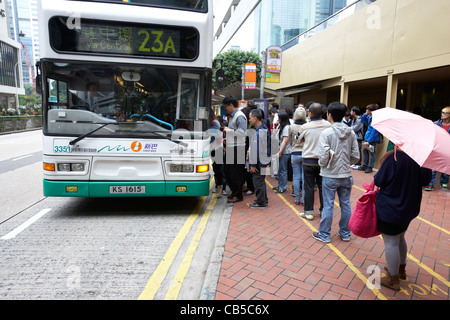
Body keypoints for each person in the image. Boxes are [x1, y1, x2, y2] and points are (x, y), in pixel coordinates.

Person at [374, 149, 431, 290]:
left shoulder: (394, 157)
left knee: (391, 242)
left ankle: (393, 279)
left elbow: (379, 180)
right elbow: (426, 180)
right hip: (409, 208)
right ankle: (400, 270)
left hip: (390, 208)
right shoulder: (421, 157)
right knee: (400, 238)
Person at [313, 102, 360, 243]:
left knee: (328, 205)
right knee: (345, 204)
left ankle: (325, 234)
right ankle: (345, 233)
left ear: (330, 115)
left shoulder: (326, 133)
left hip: (330, 175)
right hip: (346, 175)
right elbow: (356, 156)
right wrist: (346, 162)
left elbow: (323, 156)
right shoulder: (350, 132)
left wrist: (324, 164)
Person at [297, 103, 331, 220]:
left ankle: (309, 212)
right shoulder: (328, 125)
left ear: (309, 113)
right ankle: (323, 211)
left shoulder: (305, 126)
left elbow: (297, 140)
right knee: (323, 187)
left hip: (308, 161)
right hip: (323, 161)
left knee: (309, 187)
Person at [222, 95, 247, 203]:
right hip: (232, 147)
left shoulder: (239, 116)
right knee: (228, 171)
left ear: (231, 105)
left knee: (235, 172)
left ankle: (238, 194)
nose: (225, 109)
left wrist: (229, 131)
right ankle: (234, 191)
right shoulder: (233, 116)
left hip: (238, 148)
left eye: (225, 107)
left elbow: (242, 133)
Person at [248, 108, 271, 208]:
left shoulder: (258, 133)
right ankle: (263, 200)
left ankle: (260, 202)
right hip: (264, 160)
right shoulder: (264, 129)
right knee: (261, 181)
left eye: (250, 118)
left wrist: (253, 165)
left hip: (258, 162)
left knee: (258, 181)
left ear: (255, 118)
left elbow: (256, 151)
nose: (249, 120)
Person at [424, 106, 450, 191]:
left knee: (446, 166)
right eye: (442, 112)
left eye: (445, 113)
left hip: (447, 149)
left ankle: (444, 183)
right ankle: (430, 184)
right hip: (436, 147)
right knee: (432, 167)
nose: (442, 114)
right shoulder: (435, 124)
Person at [289, 106, 307, 205]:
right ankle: (304, 199)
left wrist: (294, 146)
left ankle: (297, 199)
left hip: (295, 152)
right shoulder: (308, 125)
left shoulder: (291, 127)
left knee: (296, 177)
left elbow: (291, 141)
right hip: (305, 153)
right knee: (305, 177)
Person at [272, 112, 291, 193]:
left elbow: (285, 140)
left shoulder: (286, 127)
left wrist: (280, 152)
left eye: (279, 118)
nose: (277, 120)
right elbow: (273, 134)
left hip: (285, 151)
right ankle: (280, 185)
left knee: (282, 170)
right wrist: (275, 126)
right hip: (281, 151)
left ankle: (283, 187)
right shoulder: (281, 126)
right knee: (280, 170)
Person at [360, 103, 380, 173]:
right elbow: (362, 121)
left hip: (372, 139)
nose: (366, 111)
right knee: (365, 151)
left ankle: (370, 167)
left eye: (367, 110)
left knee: (372, 153)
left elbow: (374, 131)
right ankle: (365, 165)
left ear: (371, 111)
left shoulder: (375, 119)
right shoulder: (369, 117)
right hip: (367, 136)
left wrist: (369, 140)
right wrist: (365, 114)